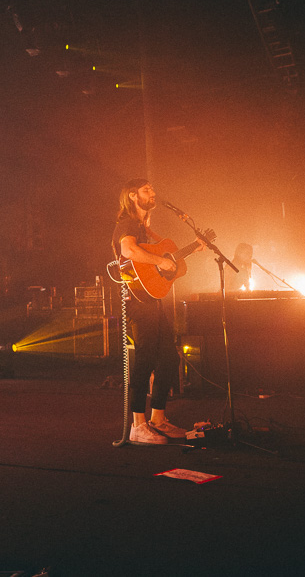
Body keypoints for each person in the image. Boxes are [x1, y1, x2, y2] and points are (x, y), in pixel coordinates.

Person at [112, 178, 200, 445]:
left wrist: (193, 247)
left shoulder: (142, 227)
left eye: (152, 189)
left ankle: (158, 419)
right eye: (146, 189)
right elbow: (128, 250)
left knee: (170, 358)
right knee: (146, 358)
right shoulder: (127, 223)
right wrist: (160, 260)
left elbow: (163, 258)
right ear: (132, 196)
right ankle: (137, 426)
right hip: (137, 300)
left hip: (150, 298)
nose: (152, 192)